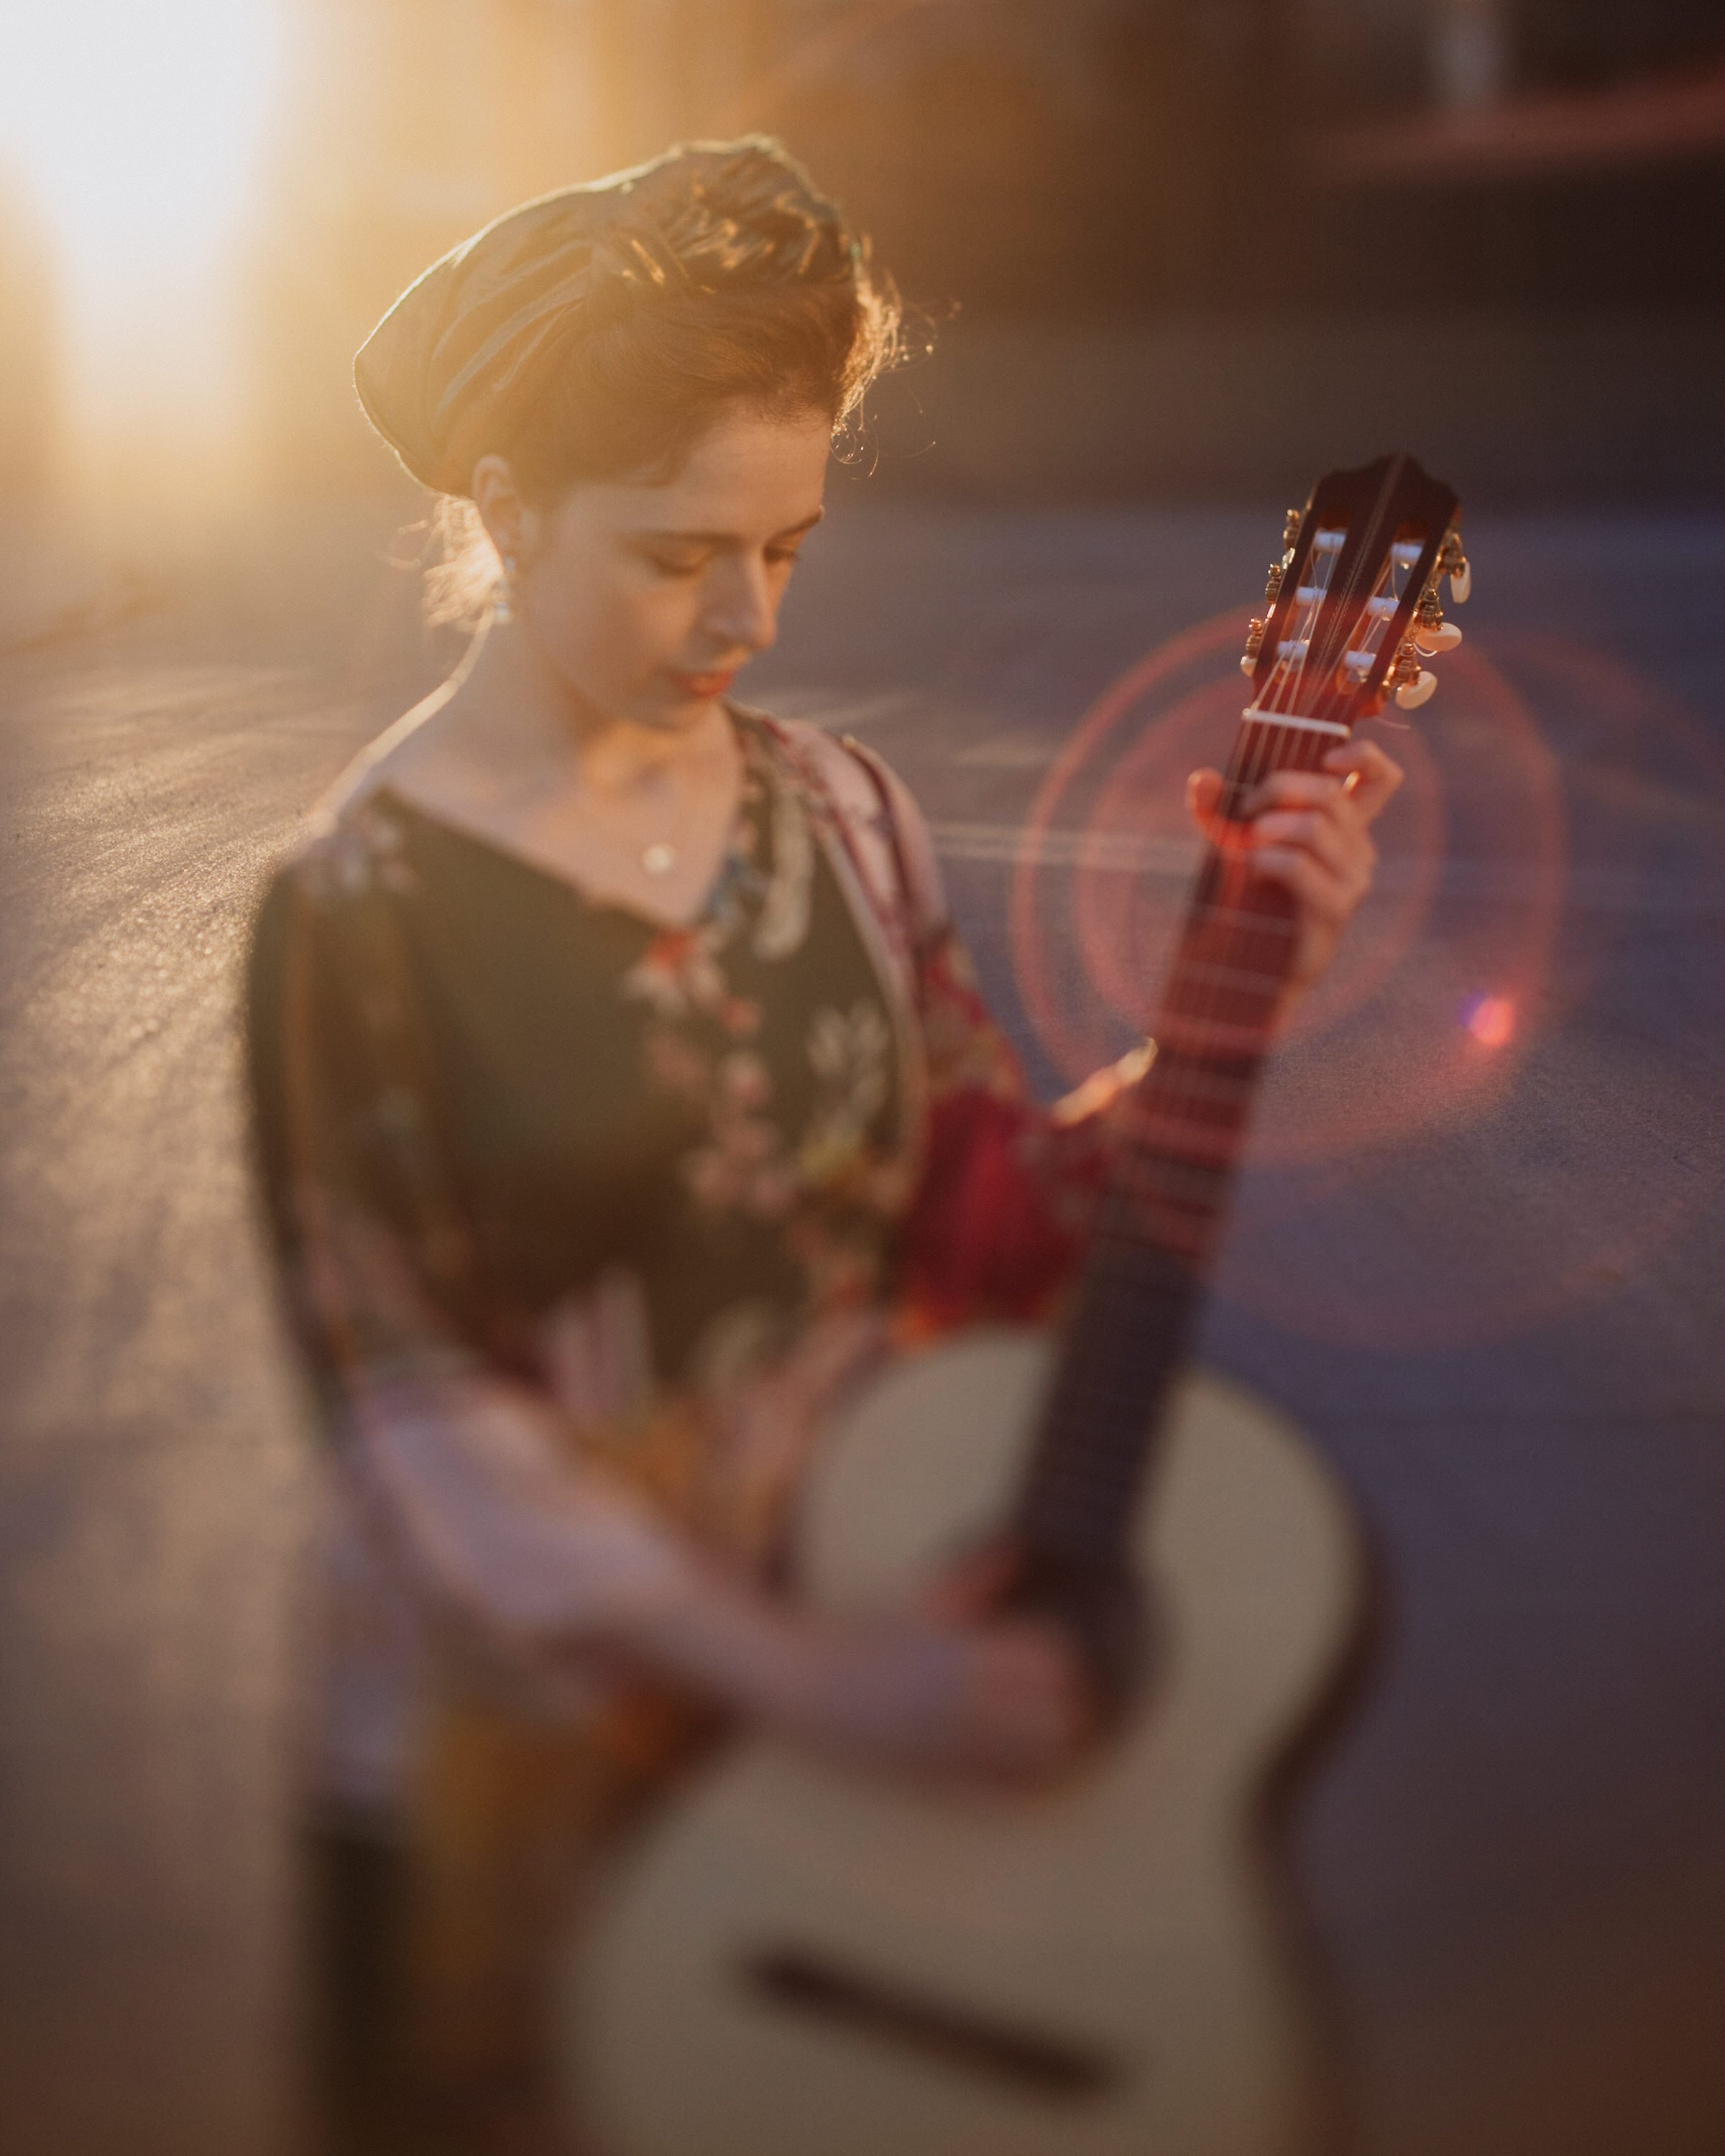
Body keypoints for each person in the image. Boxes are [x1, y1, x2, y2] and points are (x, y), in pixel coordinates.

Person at [244, 137, 1402, 2153]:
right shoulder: (361, 905)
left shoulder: (845, 814)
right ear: (507, 509)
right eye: (684, 552)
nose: (750, 618)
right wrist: (812, 1678)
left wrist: (1238, 1003)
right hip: (535, 1802)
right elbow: (424, 1422)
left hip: (879, 1710)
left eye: (788, 544)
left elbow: (981, 1228)